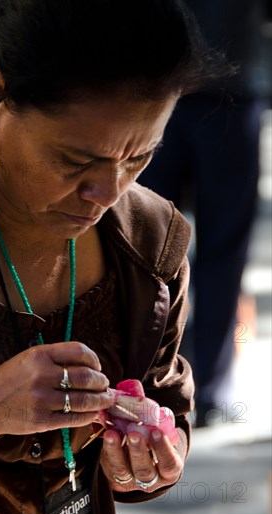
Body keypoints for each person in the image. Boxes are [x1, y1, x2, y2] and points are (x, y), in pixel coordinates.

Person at [0, 1, 222, 514]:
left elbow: (162, 402)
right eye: (76, 162)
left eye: (139, 157)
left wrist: (148, 459)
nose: (108, 192)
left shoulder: (147, 239)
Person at [138, 0, 272, 427]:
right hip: (191, 87)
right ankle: (195, 385)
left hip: (181, 86)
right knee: (155, 247)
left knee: (148, 247)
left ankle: (157, 379)